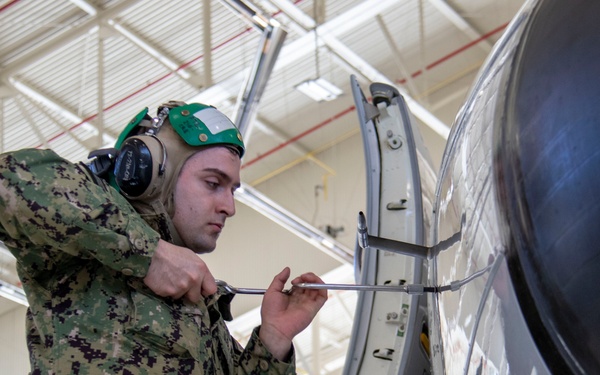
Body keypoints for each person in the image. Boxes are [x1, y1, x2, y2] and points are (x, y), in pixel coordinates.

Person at [0, 101, 328, 374]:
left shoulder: (201, 308)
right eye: (213, 183)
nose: (229, 207)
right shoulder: (88, 242)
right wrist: (150, 254)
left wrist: (273, 340)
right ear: (153, 173)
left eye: (232, 191)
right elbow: (8, 180)